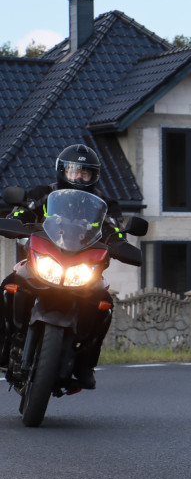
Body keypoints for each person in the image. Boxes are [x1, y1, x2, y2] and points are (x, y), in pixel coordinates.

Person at [1, 144, 124, 388]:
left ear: (93, 176)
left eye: (85, 172)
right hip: (43, 261)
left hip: (83, 268)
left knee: (105, 306)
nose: (78, 176)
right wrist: (15, 221)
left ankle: (85, 364)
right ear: (62, 171)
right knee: (8, 287)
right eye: (73, 171)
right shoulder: (43, 193)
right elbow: (21, 213)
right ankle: (5, 344)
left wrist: (120, 242)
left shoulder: (106, 204)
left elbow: (116, 229)